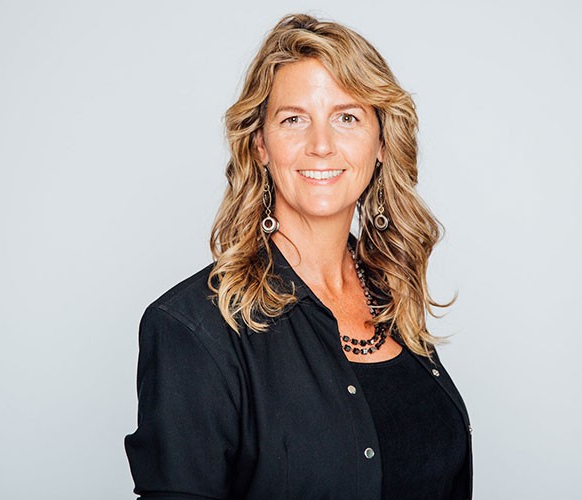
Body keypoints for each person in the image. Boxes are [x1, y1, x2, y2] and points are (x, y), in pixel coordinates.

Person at [125, 13, 472, 500]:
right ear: (261, 144)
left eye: (346, 116)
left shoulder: (393, 298)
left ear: (380, 143)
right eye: (293, 119)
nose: (322, 145)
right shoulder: (193, 328)